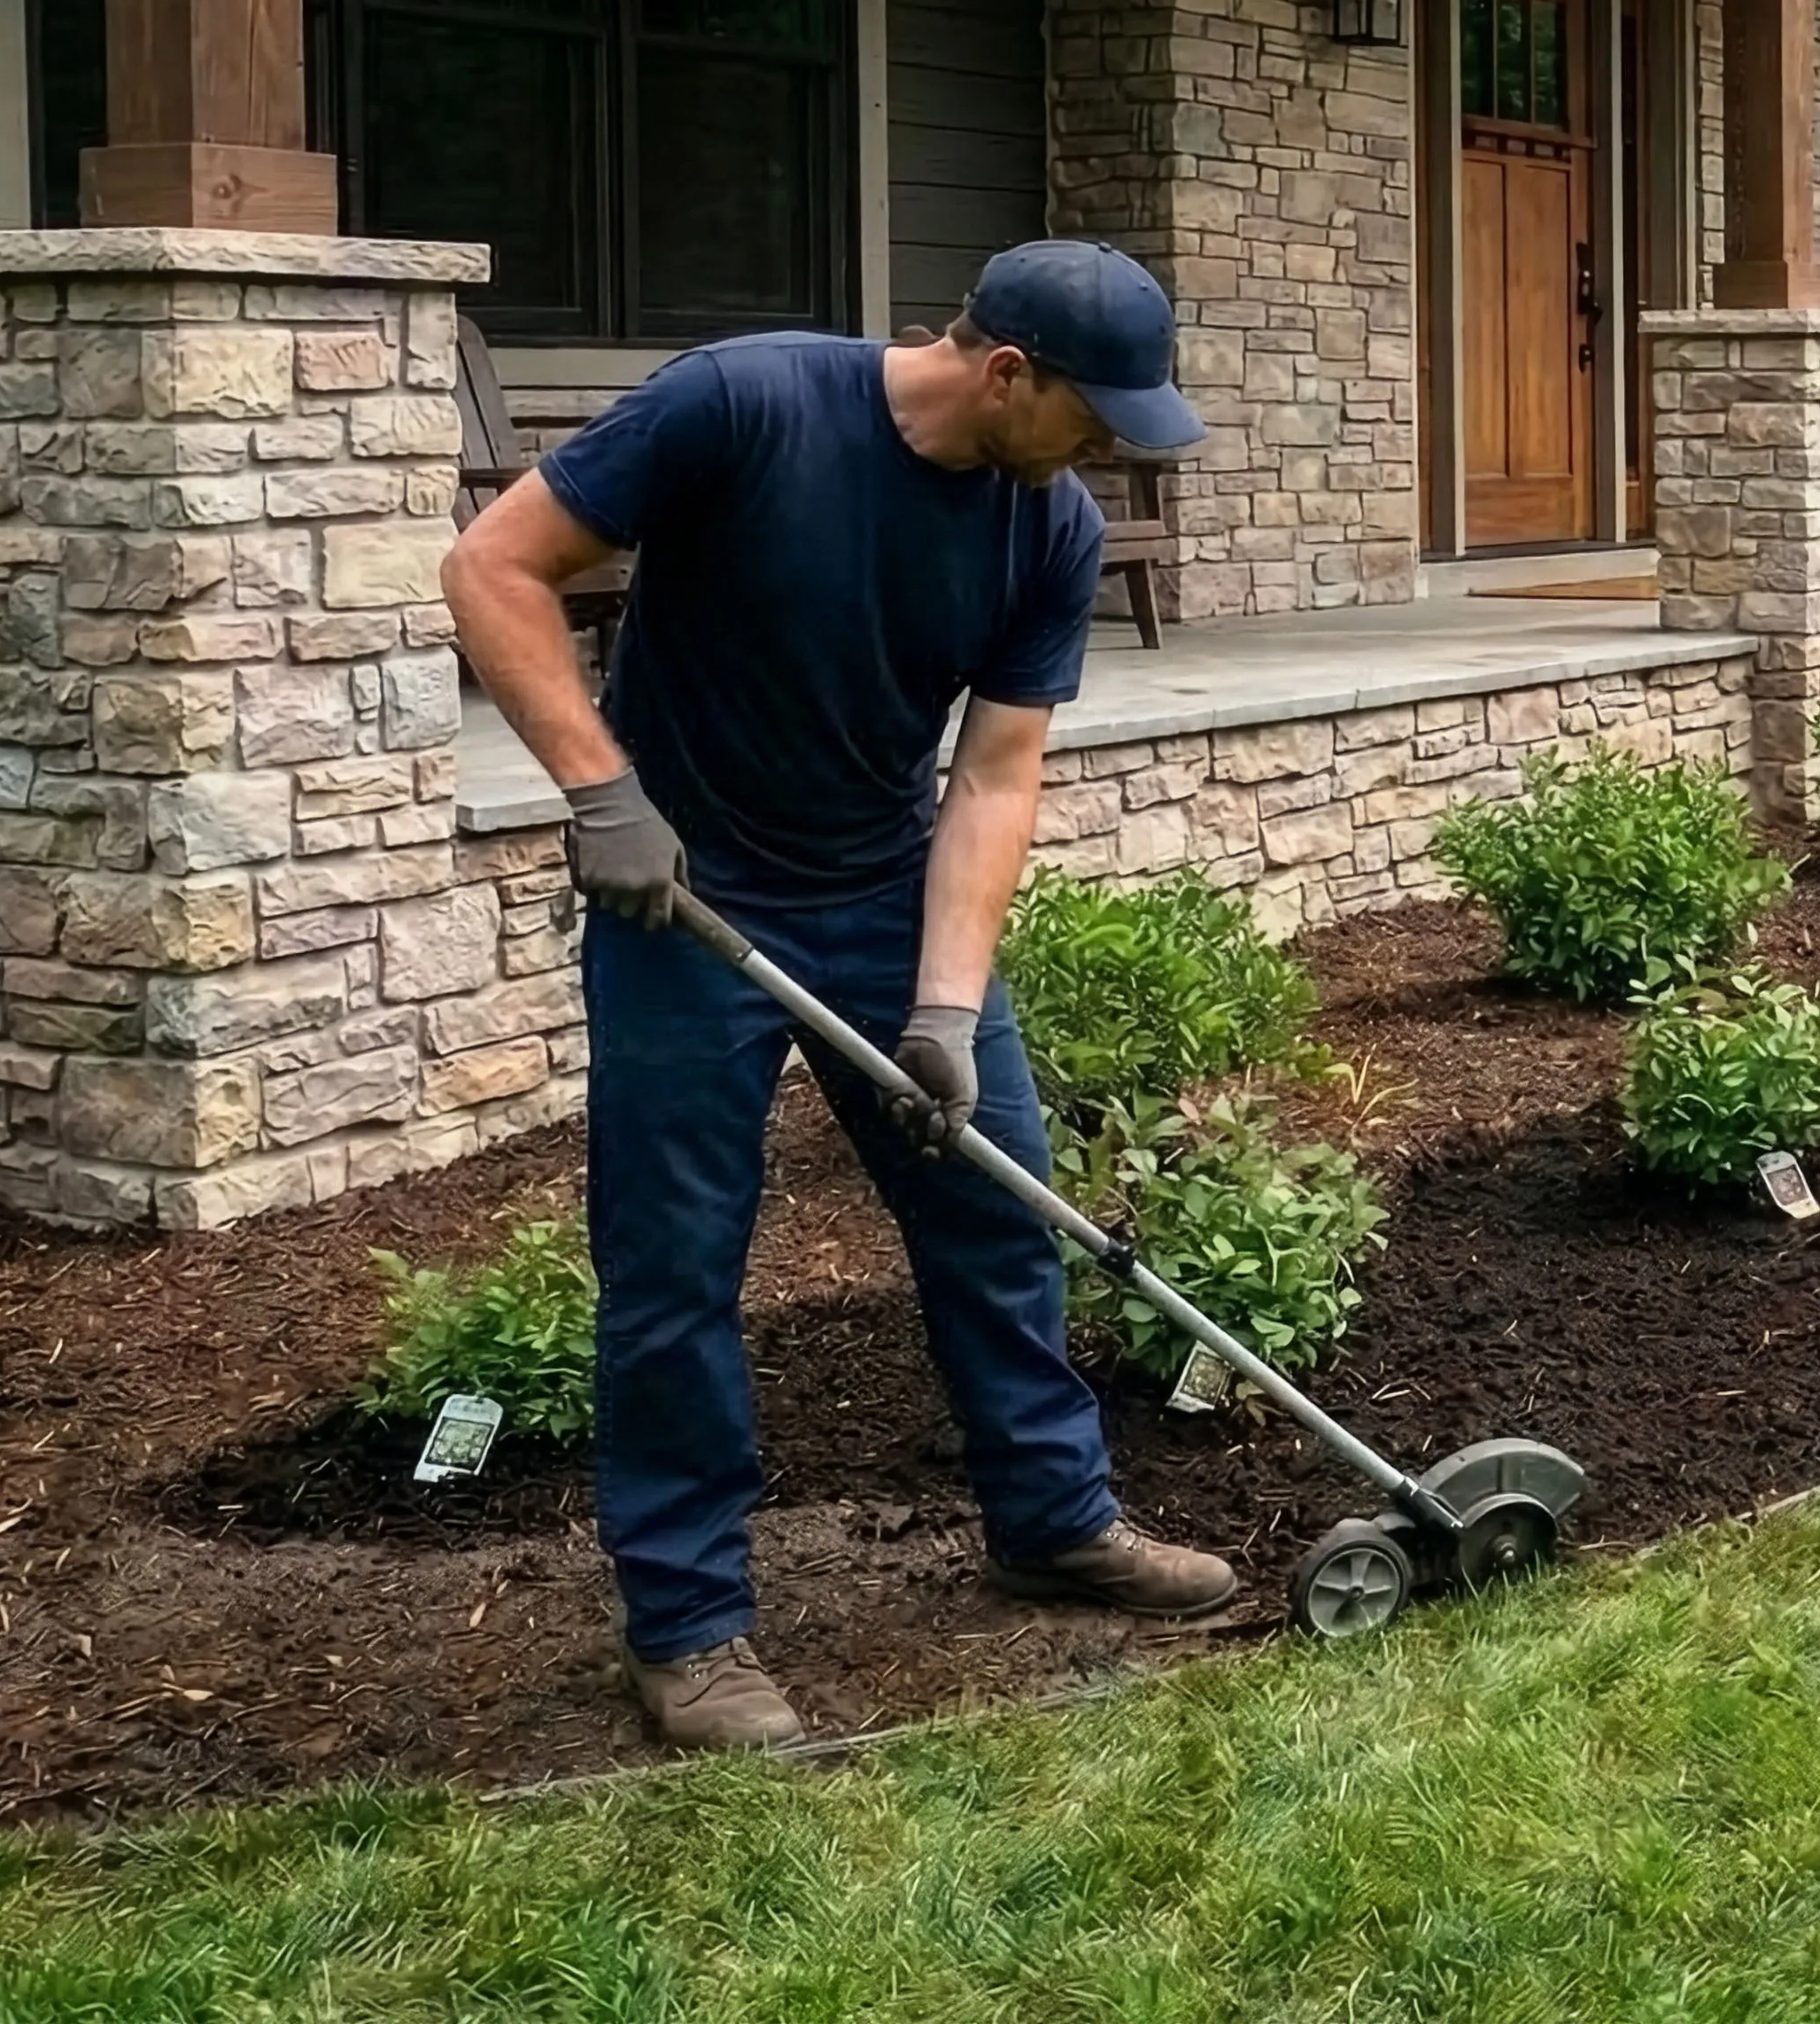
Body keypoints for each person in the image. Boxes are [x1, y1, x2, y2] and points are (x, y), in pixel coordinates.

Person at [442, 238, 1243, 1755]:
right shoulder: (741, 405)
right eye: (1091, 415)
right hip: (684, 901)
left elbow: (994, 775)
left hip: (881, 892)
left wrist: (942, 1006)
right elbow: (493, 564)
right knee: (675, 1265)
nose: (1104, 451)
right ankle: (686, 1624)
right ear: (1007, 372)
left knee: (997, 1207)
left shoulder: (1049, 525)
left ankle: (1053, 1519)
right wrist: (601, 791)